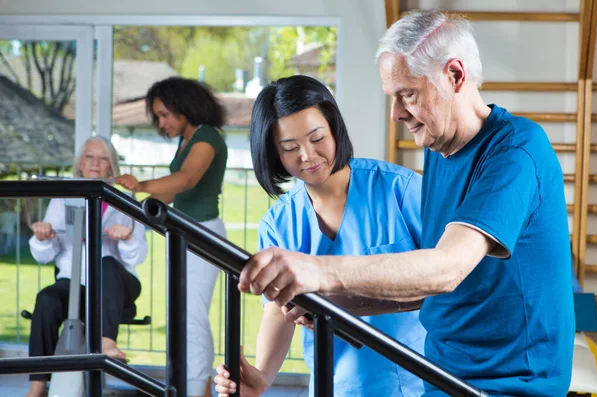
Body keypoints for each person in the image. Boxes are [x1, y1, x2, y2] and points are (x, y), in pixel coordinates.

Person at [234, 10, 575, 397]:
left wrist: (319, 271)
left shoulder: (515, 150)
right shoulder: (441, 152)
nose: (395, 113)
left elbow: (446, 269)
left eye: (407, 94)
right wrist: (333, 305)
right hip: (444, 375)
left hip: (508, 385)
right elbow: (430, 290)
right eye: (392, 98)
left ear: (455, 76)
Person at [214, 75, 426, 397]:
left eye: (317, 138)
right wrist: (262, 377)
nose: (307, 156)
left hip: (416, 384)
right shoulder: (279, 223)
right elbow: (278, 308)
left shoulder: (401, 191)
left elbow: (448, 280)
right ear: (274, 153)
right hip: (334, 387)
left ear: (334, 127)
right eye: (289, 148)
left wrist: (346, 303)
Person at [116, 76, 228, 397]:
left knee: (192, 314)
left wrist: (142, 185)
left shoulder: (206, 136)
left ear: (185, 106)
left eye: (165, 114)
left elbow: (187, 179)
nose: (161, 123)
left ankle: (196, 390)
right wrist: (134, 210)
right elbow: (170, 195)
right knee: (183, 315)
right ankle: (197, 389)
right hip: (186, 234)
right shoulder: (187, 140)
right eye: (158, 116)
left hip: (204, 234)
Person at [26, 136, 148, 397]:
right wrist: (42, 235)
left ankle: (106, 341)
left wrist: (126, 238)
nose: (95, 163)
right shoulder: (64, 197)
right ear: (80, 164)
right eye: (89, 156)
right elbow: (44, 254)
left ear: (111, 167)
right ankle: (37, 386)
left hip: (116, 283)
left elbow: (136, 256)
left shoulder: (125, 199)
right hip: (74, 282)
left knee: (106, 263)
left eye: (103, 158)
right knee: (46, 300)